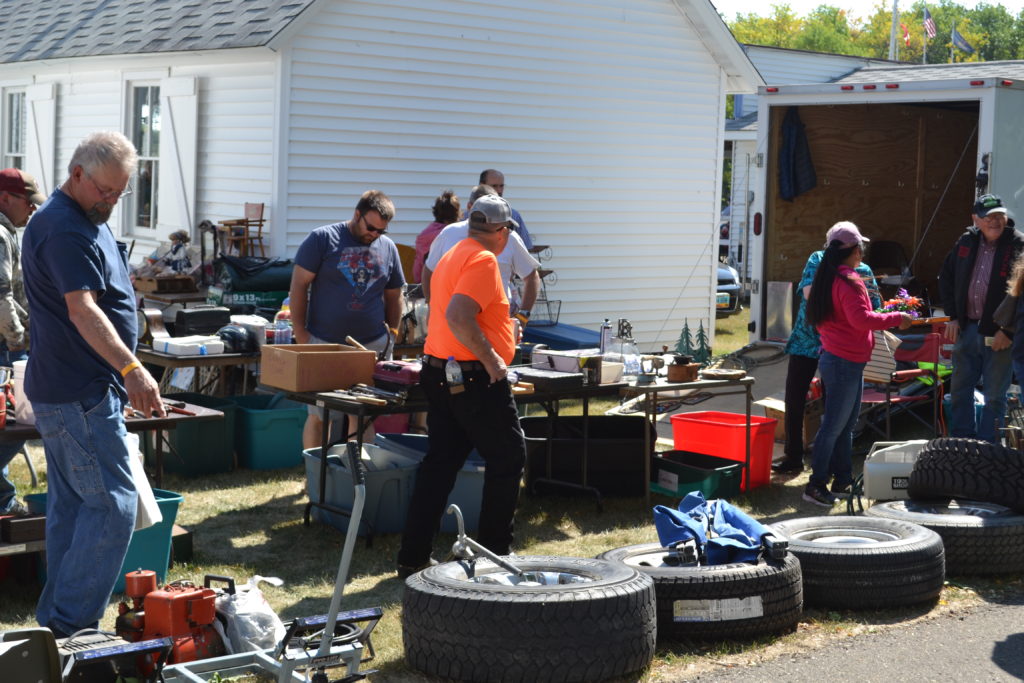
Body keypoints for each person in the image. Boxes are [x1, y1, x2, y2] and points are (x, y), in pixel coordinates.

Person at [22, 131, 165, 636]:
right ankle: (72, 628)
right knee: (113, 505)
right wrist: (132, 369)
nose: (112, 201)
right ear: (77, 174)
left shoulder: (84, 217)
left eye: (120, 193)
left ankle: (55, 630)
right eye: (105, 190)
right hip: (78, 390)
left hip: (73, 389)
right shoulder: (64, 228)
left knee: (75, 508)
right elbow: (82, 310)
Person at [397, 194, 526, 577]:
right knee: (508, 459)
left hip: (440, 372)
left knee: (440, 464)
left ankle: (413, 556)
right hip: (472, 377)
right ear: (501, 232)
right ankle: (494, 557)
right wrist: (493, 360)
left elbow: (458, 312)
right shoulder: (484, 259)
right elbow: (458, 315)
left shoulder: (454, 252)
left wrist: (502, 330)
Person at [803, 222, 911, 506]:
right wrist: (898, 318)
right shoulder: (848, 280)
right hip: (842, 362)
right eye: (860, 246)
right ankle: (815, 484)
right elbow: (862, 319)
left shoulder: (830, 276)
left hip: (843, 360)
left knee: (846, 424)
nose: (863, 251)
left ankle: (841, 480)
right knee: (834, 426)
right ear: (852, 251)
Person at [289, 190, 405, 448]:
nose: (374, 235)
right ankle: (316, 477)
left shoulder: (388, 248)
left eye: (381, 231)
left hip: (371, 345)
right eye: (371, 227)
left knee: (362, 415)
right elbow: (298, 286)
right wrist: (302, 334)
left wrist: (393, 334)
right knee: (321, 414)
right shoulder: (322, 239)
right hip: (324, 342)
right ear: (357, 214)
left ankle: (356, 477)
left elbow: (394, 294)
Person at [773, 225, 882, 474]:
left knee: (835, 408)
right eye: (859, 247)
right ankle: (793, 457)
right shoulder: (817, 260)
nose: (861, 252)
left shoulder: (863, 271)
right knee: (795, 399)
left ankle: (829, 464)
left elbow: (875, 307)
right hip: (807, 340)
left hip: (838, 346)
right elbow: (812, 295)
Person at [939, 193, 1024, 443]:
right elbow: (946, 276)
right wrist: (953, 316)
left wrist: (1008, 331)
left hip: (1000, 334)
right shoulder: (966, 241)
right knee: (959, 391)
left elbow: (1021, 296)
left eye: (999, 215)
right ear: (976, 219)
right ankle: (963, 442)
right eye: (989, 217)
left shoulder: (1018, 244)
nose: (995, 221)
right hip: (967, 329)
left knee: (995, 396)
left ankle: (989, 447)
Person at [422, 184, 540, 320]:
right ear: (470, 207)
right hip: (461, 324)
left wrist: (523, 315)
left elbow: (531, 276)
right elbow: (429, 270)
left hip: (495, 320)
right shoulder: (449, 234)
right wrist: (431, 304)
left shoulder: (510, 237)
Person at [0, 168, 43, 516]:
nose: (31, 210)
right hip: (3, 347)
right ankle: (2, 501)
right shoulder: (0, 233)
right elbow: (0, 296)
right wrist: (18, 344)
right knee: (18, 423)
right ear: (5, 198)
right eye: (27, 202)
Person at [412, 190, 461, 283]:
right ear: (456, 213)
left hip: (419, 281)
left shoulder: (426, 232)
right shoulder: (450, 234)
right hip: (438, 282)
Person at [480, 168, 533, 249]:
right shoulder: (468, 217)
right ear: (482, 186)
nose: (499, 190)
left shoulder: (514, 216)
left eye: (501, 186)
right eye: (494, 186)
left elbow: (526, 248)